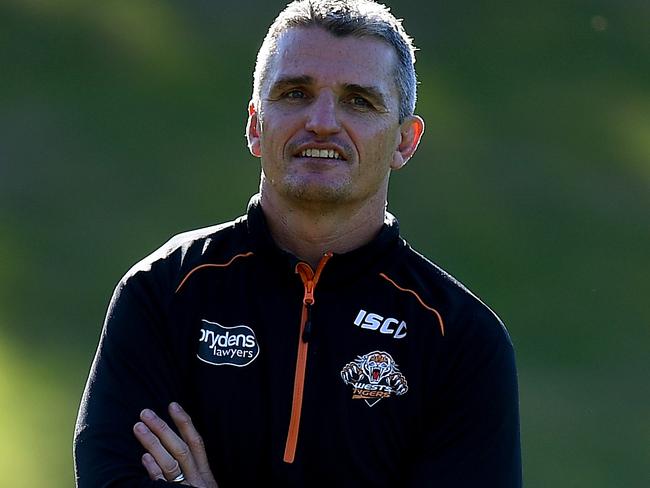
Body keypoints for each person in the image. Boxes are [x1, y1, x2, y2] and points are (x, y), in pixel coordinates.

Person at [74, 0, 522, 486]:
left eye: (359, 101)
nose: (323, 121)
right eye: (294, 93)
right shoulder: (163, 292)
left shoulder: (460, 340)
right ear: (254, 125)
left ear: (404, 141)